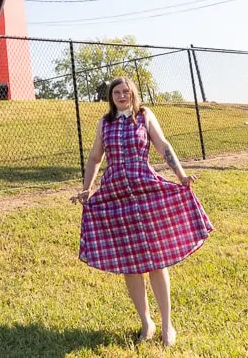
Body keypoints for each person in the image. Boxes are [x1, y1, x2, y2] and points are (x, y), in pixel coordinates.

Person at [72, 76, 213, 347]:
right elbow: (94, 158)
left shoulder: (145, 116)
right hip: (117, 198)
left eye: (126, 91)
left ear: (133, 94)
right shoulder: (105, 123)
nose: (122, 96)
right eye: (117, 93)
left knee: (156, 261)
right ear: (111, 97)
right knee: (130, 263)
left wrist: (181, 176)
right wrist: (87, 188)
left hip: (146, 193)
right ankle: (146, 322)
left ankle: (167, 325)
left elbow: (164, 147)